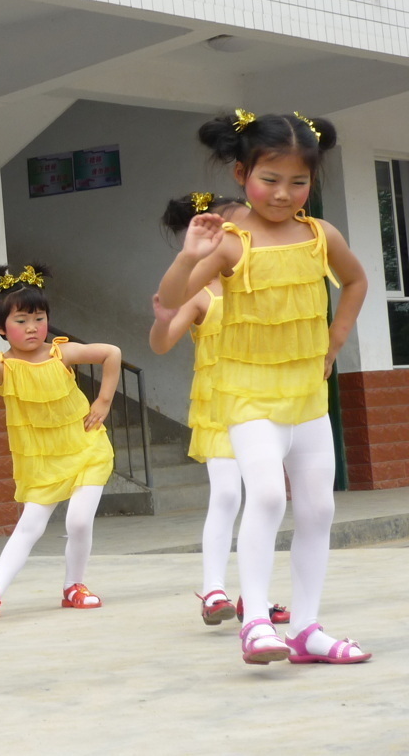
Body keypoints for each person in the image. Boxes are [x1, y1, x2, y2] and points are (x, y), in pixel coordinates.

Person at [156, 111, 371, 666]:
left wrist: (334, 342)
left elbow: (356, 281)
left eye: (298, 182)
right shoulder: (231, 242)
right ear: (240, 173)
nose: (283, 193)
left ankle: (305, 629)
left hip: (307, 394)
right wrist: (189, 254)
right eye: (269, 180)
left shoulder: (320, 235)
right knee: (269, 496)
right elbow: (174, 297)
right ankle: (254, 621)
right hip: (247, 393)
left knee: (319, 509)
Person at [0, 264, 119, 618]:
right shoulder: (2, 367)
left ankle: (73, 586)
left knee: (78, 521)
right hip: (41, 457)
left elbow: (111, 353)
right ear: (1, 328)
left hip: (86, 446)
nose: (32, 327)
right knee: (29, 524)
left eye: (38, 317)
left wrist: (104, 401)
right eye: (21, 321)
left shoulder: (60, 353)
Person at [151, 193, 291, 628]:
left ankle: (255, 596)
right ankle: (214, 590)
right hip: (216, 404)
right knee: (228, 494)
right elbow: (160, 343)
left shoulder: (259, 280)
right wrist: (161, 316)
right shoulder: (199, 292)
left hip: (263, 402)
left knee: (267, 500)